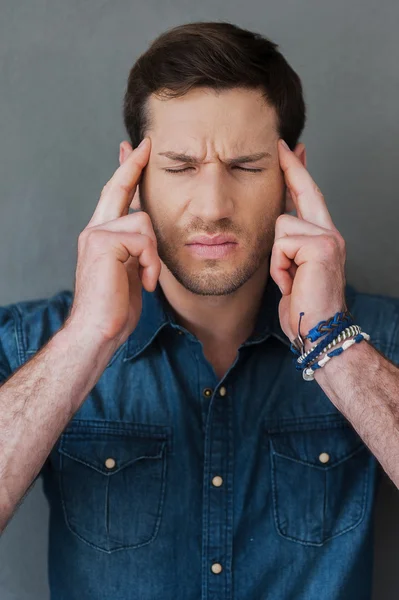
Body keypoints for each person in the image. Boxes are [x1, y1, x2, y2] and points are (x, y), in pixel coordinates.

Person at [0, 20, 398, 600]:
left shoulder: (377, 341)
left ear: (294, 175)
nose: (212, 207)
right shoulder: (27, 345)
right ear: (131, 175)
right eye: (181, 167)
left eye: (246, 167)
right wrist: (88, 337)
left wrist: (334, 345)